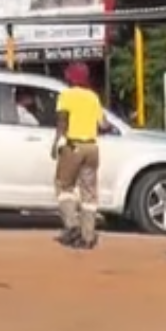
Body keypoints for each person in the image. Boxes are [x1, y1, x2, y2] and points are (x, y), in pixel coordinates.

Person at [52, 62, 106, 249]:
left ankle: (72, 225)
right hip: (92, 148)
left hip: (73, 146)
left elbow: (62, 121)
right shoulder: (93, 97)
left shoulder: (66, 95)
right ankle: (88, 236)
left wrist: (56, 143)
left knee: (64, 186)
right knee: (89, 193)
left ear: (71, 77)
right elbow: (104, 124)